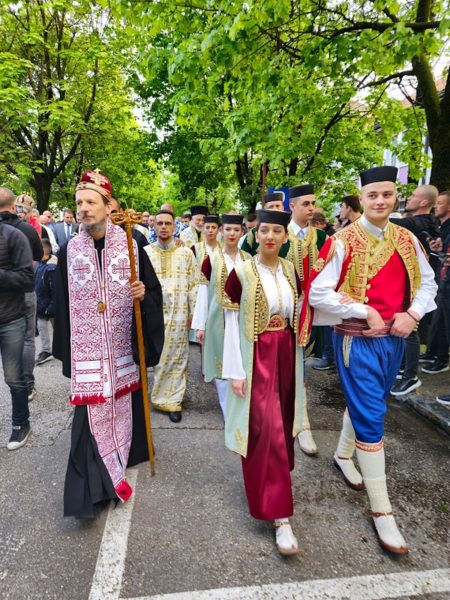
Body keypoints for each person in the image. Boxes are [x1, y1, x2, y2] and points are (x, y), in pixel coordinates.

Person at [300, 166, 437, 555]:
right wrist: (364, 310)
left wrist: (413, 314)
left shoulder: (407, 238)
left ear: (396, 197)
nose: (380, 201)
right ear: (361, 199)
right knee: (373, 415)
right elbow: (317, 293)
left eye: (387, 195)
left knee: (369, 403)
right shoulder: (342, 240)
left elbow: (428, 283)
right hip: (356, 341)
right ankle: (382, 510)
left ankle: (344, 454)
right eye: (373, 195)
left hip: (395, 340)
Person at [53, 170, 164, 518]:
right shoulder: (70, 251)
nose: (83, 208)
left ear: (108, 206)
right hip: (89, 354)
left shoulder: (132, 244)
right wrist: (69, 353)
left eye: (90, 202)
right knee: (89, 419)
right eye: (79, 203)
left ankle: (126, 453)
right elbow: (61, 304)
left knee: (125, 404)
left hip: (121, 349)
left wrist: (143, 295)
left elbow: (154, 292)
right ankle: (93, 491)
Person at [222, 209, 303, 555]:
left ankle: (269, 486)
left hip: (286, 352)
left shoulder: (290, 270)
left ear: (285, 236)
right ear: (255, 235)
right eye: (264, 230)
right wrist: (236, 370)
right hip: (256, 356)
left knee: (282, 425)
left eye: (276, 231)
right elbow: (230, 323)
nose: (270, 236)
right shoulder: (241, 272)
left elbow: (301, 311)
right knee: (265, 429)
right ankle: (279, 516)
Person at [192, 214, 251, 417]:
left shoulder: (249, 259)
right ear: (221, 231)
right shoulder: (211, 259)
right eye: (228, 229)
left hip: (243, 319)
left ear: (242, 232)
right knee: (221, 364)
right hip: (218, 320)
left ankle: (242, 408)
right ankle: (228, 410)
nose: (232, 233)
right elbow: (203, 294)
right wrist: (200, 325)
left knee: (242, 361)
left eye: (236, 230)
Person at [145, 209, 199, 422]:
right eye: (160, 223)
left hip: (179, 313)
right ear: (154, 226)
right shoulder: (145, 253)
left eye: (168, 223)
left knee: (178, 357)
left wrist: (194, 313)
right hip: (154, 314)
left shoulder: (186, 254)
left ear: (175, 227)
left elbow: (194, 284)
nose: (164, 227)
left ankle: (174, 400)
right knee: (159, 357)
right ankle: (159, 396)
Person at [389, 184, 440, 396]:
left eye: (413, 196)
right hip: (412, 282)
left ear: (424, 202)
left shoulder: (415, 222)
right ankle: (403, 369)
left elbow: (384, 221)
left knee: (410, 329)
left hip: (416, 284)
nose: (408, 198)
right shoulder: (430, 223)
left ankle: (410, 376)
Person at [0, 188, 43, 402]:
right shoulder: (27, 228)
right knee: (27, 339)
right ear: (13, 206)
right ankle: (26, 386)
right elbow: (39, 254)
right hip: (23, 290)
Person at [0, 218, 35, 450]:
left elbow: (28, 279)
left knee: (13, 377)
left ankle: (21, 424)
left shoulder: (13, 236)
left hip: (10, 319)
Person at [422, 190, 450, 388]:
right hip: (443, 282)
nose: (435, 206)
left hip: (447, 284)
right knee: (439, 322)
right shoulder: (442, 227)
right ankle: (437, 355)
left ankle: (441, 359)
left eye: (440, 203)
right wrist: (438, 251)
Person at [35, 239, 57, 365]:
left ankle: (62, 349)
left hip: (51, 305)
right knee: (41, 327)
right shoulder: (38, 265)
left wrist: (52, 305)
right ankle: (46, 350)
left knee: (57, 328)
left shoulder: (52, 267)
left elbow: (55, 289)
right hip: (40, 305)